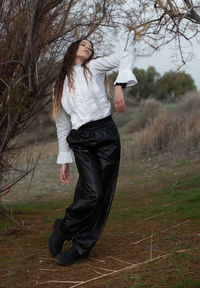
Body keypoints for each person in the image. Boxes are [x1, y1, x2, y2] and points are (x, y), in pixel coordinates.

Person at [49, 38, 137, 266]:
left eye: (91, 46)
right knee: (92, 193)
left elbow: (126, 54)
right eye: (83, 44)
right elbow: (62, 124)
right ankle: (65, 226)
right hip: (81, 140)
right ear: (72, 49)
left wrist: (119, 86)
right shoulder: (58, 85)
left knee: (102, 195)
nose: (89, 47)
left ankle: (81, 246)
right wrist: (64, 160)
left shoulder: (93, 67)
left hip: (106, 135)